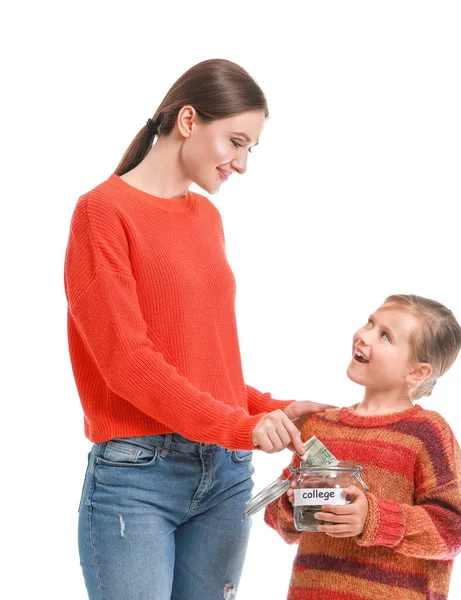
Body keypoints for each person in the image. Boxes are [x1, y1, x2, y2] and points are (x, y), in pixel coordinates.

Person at [64, 58, 331, 600]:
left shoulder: (206, 218)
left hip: (227, 475)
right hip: (140, 476)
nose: (242, 163)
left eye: (250, 148)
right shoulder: (102, 212)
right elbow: (128, 364)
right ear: (189, 119)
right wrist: (239, 424)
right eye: (235, 141)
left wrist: (264, 409)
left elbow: (200, 360)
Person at [265, 294, 461, 600]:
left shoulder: (428, 433)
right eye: (370, 323)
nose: (364, 335)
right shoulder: (321, 426)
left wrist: (371, 518)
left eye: (385, 336)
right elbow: (277, 518)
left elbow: (449, 531)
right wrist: (294, 505)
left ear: (417, 372)